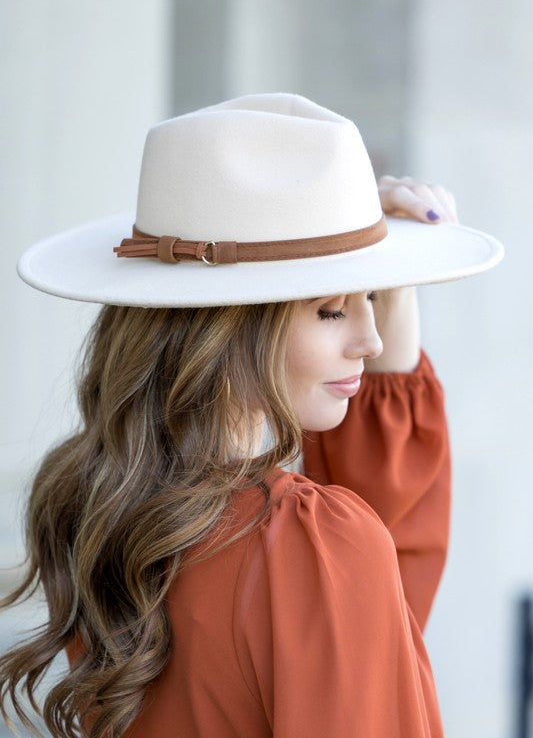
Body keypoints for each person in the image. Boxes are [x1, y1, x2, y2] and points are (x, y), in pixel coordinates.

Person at [1, 93, 503, 737]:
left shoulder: (103, 510)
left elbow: (380, 615)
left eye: (373, 298)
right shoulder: (305, 544)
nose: (371, 341)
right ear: (230, 329)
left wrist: (384, 272)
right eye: (331, 309)